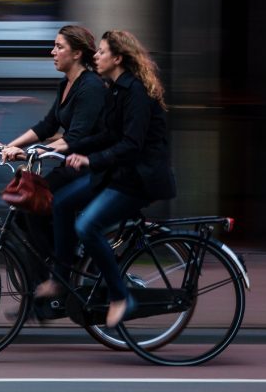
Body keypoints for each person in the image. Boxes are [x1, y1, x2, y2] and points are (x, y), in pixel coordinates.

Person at [35, 30, 177, 328]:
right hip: (116, 173)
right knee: (60, 203)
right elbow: (108, 134)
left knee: (87, 226)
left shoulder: (136, 92)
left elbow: (131, 145)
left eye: (101, 52)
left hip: (138, 179)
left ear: (118, 58)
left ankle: (120, 296)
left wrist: (89, 159)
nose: (95, 56)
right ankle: (61, 278)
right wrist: (71, 147)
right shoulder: (115, 88)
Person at [0, 25, 106, 285]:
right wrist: (9, 146)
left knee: (33, 207)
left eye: (59, 47)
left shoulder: (91, 87)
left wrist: (33, 153)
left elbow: (75, 138)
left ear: (76, 54)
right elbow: (47, 126)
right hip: (69, 165)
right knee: (25, 211)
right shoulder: (66, 83)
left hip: (90, 167)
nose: (52, 52)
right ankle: (57, 269)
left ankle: (60, 273)